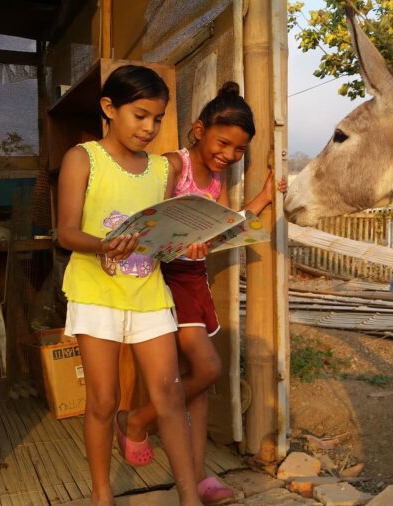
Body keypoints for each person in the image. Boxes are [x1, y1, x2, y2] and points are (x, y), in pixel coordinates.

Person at [118, 81, 286, 505]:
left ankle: (198, 478)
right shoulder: (173, 165)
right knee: (207, 368)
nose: (228, 154)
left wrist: (264, 198)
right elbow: (148, 217)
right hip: (163, 277)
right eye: (223, 142)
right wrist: (176, 240)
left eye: (238, 150)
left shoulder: (216, 180)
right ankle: (138, 420)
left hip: (194, 279)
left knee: (198, 387)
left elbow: (223, 224)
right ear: (198, 129)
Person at [57, 65, 201, 506]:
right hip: (95, 292)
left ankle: (189, 497)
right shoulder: (83, 158)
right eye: (139, 115)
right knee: (103, 401)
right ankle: (102, 495)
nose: (149, 127)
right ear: (109, 108)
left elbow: (159, 235)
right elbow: (65, 231)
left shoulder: (161, 170)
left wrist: (187, 245)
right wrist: (103, 244)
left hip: (148, 292)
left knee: (169, 394)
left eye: (156, 119)